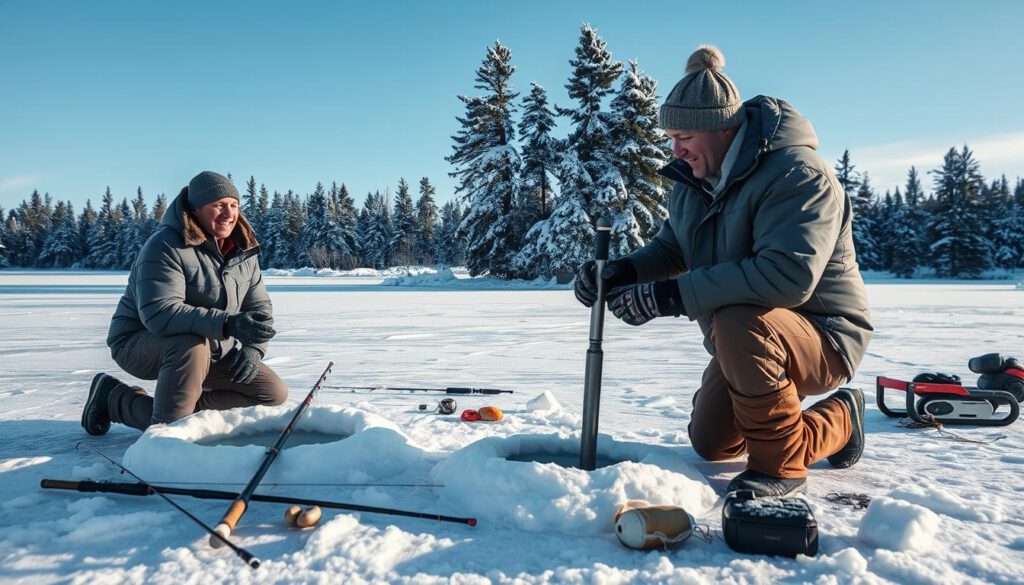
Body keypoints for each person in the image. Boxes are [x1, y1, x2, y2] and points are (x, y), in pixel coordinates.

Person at [575, 45, 872, 497]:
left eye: (684, 137)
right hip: (747, 339)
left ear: (722, 128)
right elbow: (672, 248)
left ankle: (780, 470)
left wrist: (670, 297)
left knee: (739, 319)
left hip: (823, 334)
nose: (676, 149)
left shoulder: (798, 175)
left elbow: (787, 276)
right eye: (671, 138)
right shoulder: (693, 183)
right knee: (714, 444)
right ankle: (841, 419)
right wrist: (623, 271)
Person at [82, 171, 288, 435]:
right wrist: (227, 323)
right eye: (218, 206)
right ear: (196, 209)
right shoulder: (165, 246)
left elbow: (260, 309)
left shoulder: (243, 250)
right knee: (191, 345)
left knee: (271, 393)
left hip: (212, 349)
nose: (228, 214)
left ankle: (173, 412)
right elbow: (160, 312)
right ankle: (136, 412)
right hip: (139, 342)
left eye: (234, 205)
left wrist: (253, 349)